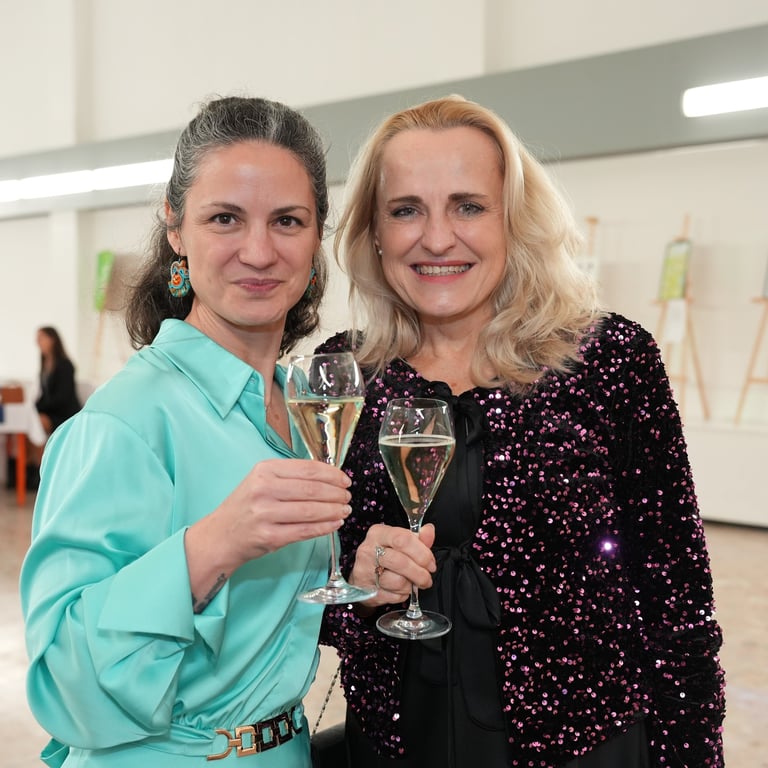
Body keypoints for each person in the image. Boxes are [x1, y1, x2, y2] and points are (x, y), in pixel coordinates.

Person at [319, 95, 726, 767]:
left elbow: (677, 598)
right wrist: (361, 590)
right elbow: (311, 592)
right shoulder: (346, 376)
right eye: (406, 210)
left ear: (514, 219)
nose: (437, 238)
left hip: (584, 749)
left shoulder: (608, 360)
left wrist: (693, 754)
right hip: (398, 745)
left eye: (468, 206)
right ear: (375, 231)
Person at [20, 95, 353, 768]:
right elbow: (62, 682)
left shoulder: (304, 407)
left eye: (287, 221)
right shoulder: (123, 422)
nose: (258, 251)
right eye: (225, 218)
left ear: (317, 237)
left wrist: (362, 579)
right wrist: (213, 544)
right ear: (175, 228)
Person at [34, 325, 81, 436]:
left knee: (38, 422)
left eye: (41, 338)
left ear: (52, 340)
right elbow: (45, 395)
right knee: (31, 419)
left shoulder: (65, 365)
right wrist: (34, 407)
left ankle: (40, 448)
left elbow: (62, 398)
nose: (37, 342)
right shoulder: (44, 365)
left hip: (65, 414)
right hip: (52, 411)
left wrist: (39, 408)